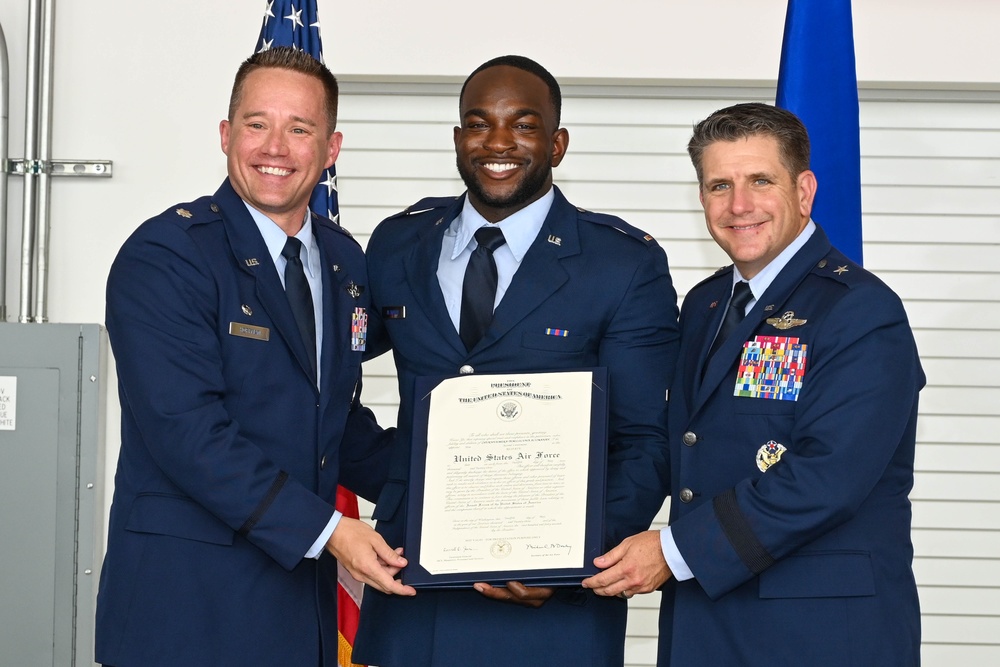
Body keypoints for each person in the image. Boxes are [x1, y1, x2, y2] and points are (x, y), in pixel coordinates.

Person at [351, 55, 680, 666]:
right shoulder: (398, 244)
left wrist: (571, 556)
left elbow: (645, 440)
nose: (498, 142)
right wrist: (407, 484)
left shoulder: (621, 264)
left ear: (556, 144)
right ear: (457, 139)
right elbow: (328, 379)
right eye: (479, 124)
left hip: (553, 613)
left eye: (524, 126)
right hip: (414, 598)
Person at [95, 47, 414, 667]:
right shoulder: (167, 256)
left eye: (300, 128)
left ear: (331, 148)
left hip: (300, 615)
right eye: (256, 123)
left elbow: (333, 425)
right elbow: (188, 433)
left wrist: (458, 479)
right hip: (185, 614)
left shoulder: (345, 263)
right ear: (225, 134)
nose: (276, 146)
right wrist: (332, 532)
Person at [582, 102, 924, 666]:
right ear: (701, 200)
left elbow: (828, 475)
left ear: (804, 190)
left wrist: (672, 551)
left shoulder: (861, 311)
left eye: (760, 181)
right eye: (720, 185)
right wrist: (575, 545)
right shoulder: (706, 304)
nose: (738, 206)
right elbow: (679, 448)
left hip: (820, 633)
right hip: (706, 623)